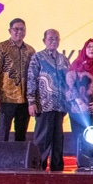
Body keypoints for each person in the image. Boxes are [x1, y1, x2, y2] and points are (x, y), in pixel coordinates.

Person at [27, 29, 69, 171]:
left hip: (60, 106)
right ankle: (38, 168)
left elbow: (69, 81)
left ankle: (57, 170)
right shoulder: (38, 57)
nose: (54, 41)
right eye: (51, 38)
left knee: (58, 140)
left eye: (56, 38)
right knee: (42, 140)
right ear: (44, 40)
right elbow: (31, 80)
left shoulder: (63, 59)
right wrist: (31, 102)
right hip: (44, 105)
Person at [0, 18, 35, 142]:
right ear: (10, 31)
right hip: (6, 98)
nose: (19, 32)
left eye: (22, 29)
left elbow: (33, 76)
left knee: (21, 136)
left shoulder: (30, 50)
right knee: (3, 134)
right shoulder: (1, 48)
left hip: (24, 100)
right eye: (16, 29)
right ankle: (0, 155)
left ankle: (19, 155)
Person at [65, 39, 93, 154]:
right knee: (79, 139)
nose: (92, 49)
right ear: (84, 50)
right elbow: (69, 87)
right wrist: (80, 103)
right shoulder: (76, 66)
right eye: (89, 47)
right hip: (78, 110)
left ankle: (91, 161)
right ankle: (80, 162)